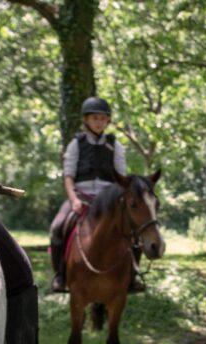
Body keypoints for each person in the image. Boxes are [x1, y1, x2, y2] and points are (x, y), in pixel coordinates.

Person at [48, 96, 145, 293]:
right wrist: (74, 200)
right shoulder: (76, 144)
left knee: (135, 229)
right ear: (86, 120)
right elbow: (68, 176)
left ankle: (133, 275)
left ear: (107, 121)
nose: (99, 122)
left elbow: (121, 178)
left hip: (108, 200)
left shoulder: (115, 145)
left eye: (103, 119)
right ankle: (60, 275)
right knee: (57, 227)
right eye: (95, 118)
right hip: (81, 196)